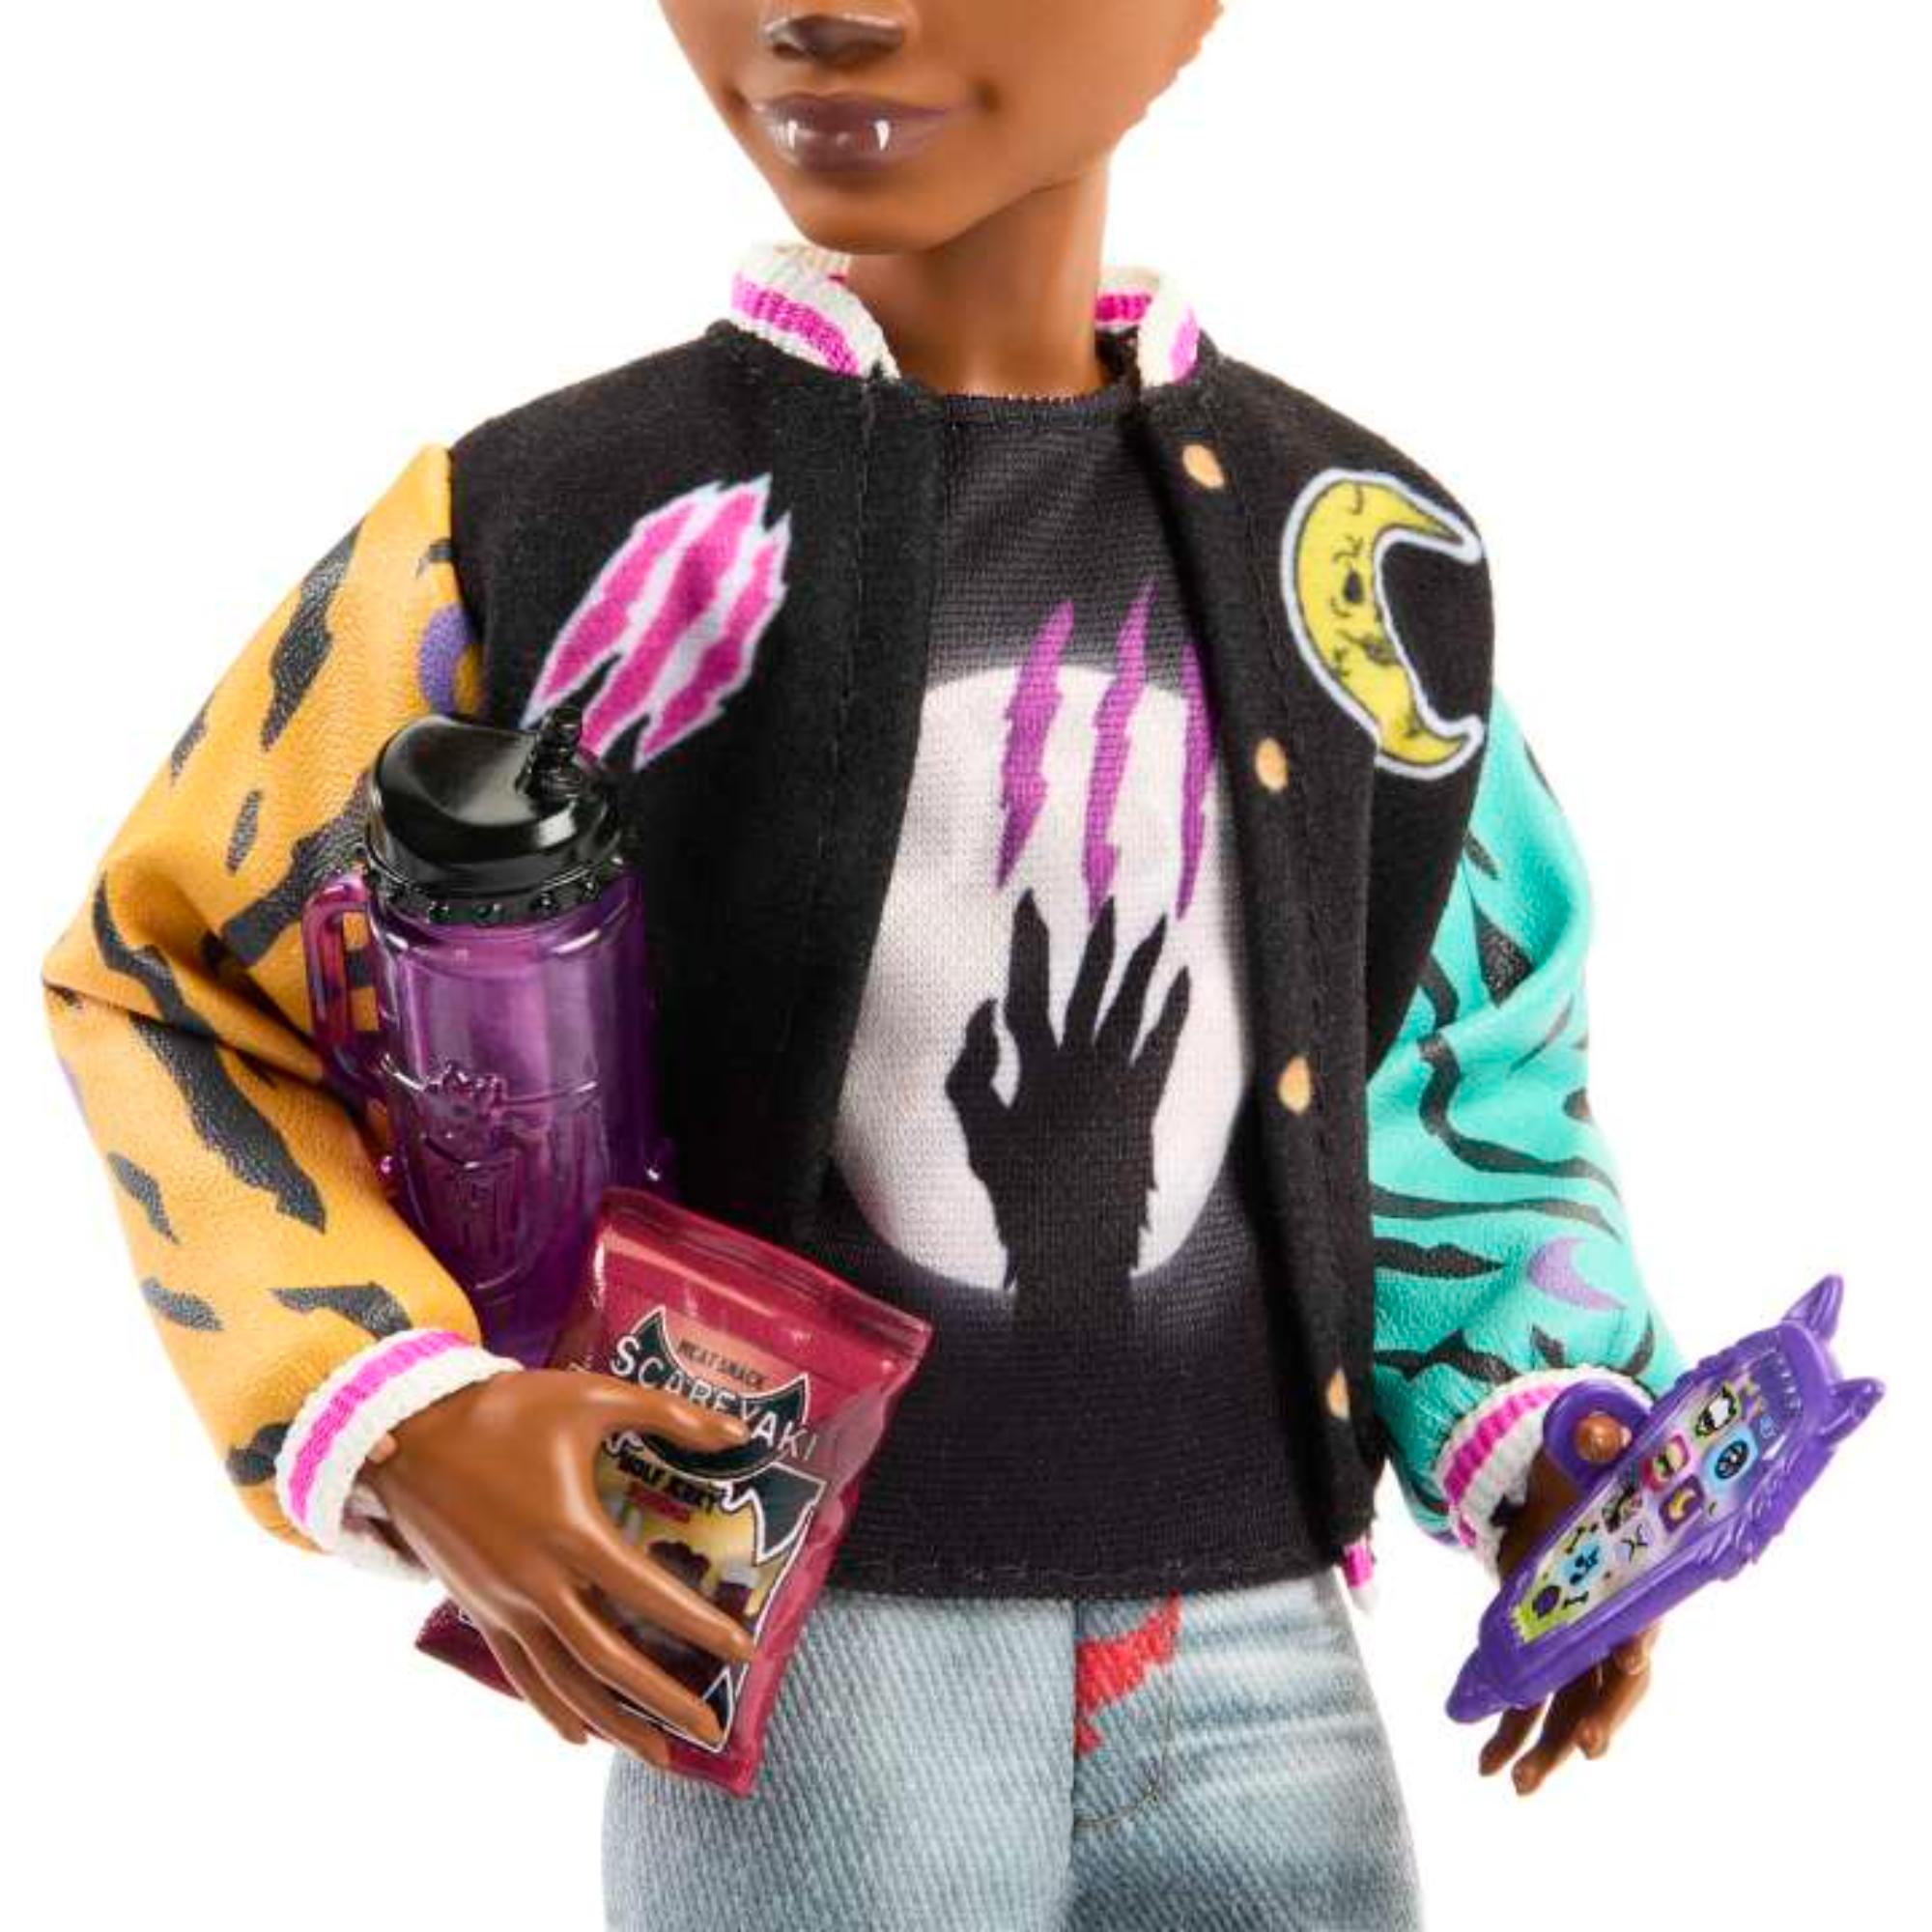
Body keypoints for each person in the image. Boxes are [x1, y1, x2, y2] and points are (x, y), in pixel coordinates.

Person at [40, 4, 1684, 1925]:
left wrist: (1548, 1430)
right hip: (805, 1655)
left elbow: (1446, 1048)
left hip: (1264, 1640)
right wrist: (404, 1410)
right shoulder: (546, 527)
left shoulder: (1362, 558)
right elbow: (175, 974)